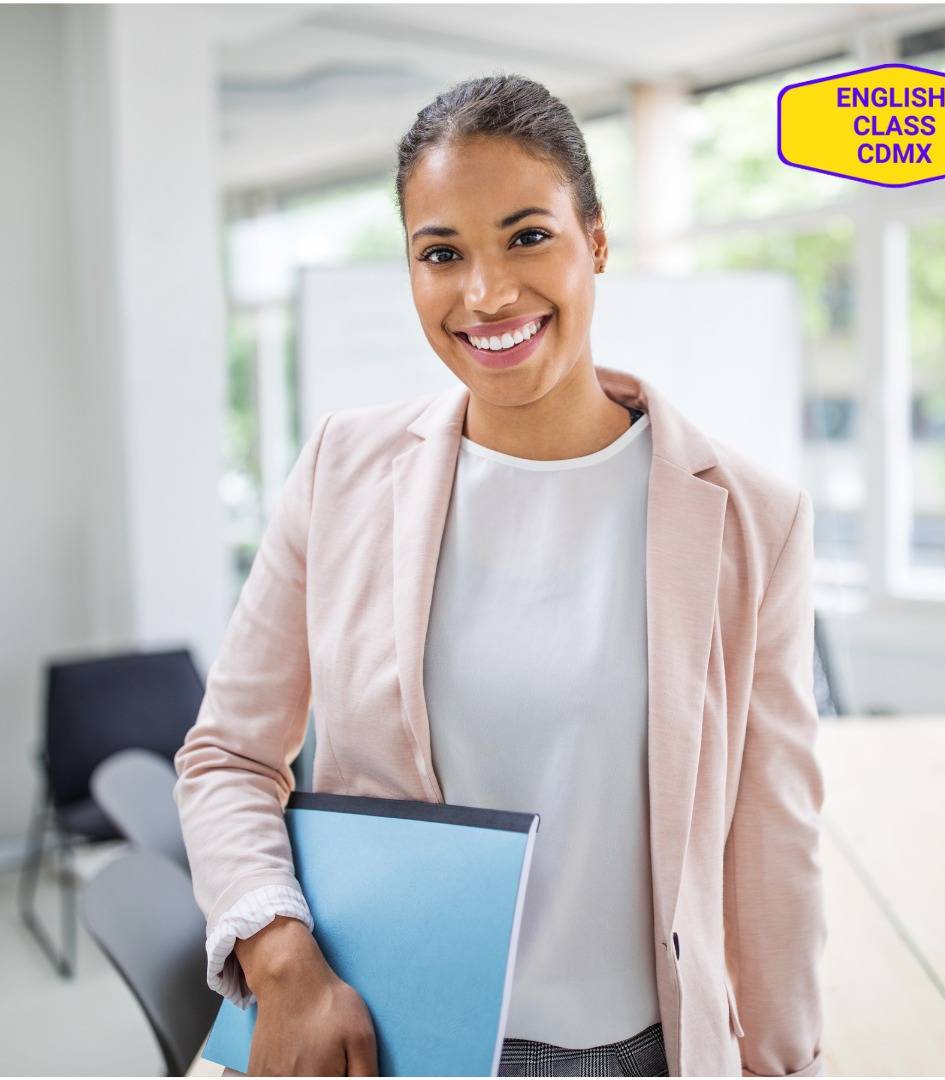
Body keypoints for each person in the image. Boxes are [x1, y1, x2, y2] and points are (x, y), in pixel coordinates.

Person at [173, 73, 826, 1078]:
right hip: (388, 1038)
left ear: (595, 242)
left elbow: (773, 839)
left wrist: (787, 1064)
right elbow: (227, 758)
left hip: (635, 1055)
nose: (485, 294)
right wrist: (285, 965)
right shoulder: (343, 472)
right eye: (443, 254)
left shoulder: (750, 519)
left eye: (528, 236)